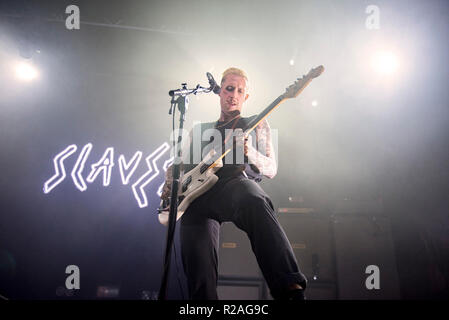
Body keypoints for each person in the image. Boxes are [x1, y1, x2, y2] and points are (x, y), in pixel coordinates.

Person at [161, 67, 307, 300]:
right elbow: (177, 166)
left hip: (232, 184)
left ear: (246, 97)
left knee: (253, 198)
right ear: (219, 92)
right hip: (195, 198)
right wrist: (170, 183)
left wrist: (251, 154)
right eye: (229, 88)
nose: (234, 95)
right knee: (198, 274)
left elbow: (271, 168)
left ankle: (289, 288)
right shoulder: (199, 130)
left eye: (240, 91)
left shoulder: (256, 123)